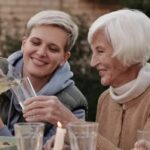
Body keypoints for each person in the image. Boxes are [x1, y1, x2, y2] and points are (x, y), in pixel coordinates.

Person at [0, 10, 87, 143]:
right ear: (24, 44)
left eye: (52, 49)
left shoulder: (73, 106)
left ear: (64, 57)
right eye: (35, 43)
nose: (41, 53)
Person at [87, 8, 150, 150]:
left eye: (100, 51)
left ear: (128, 49)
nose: (93, 62)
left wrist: (71, 124)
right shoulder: (105, 99)